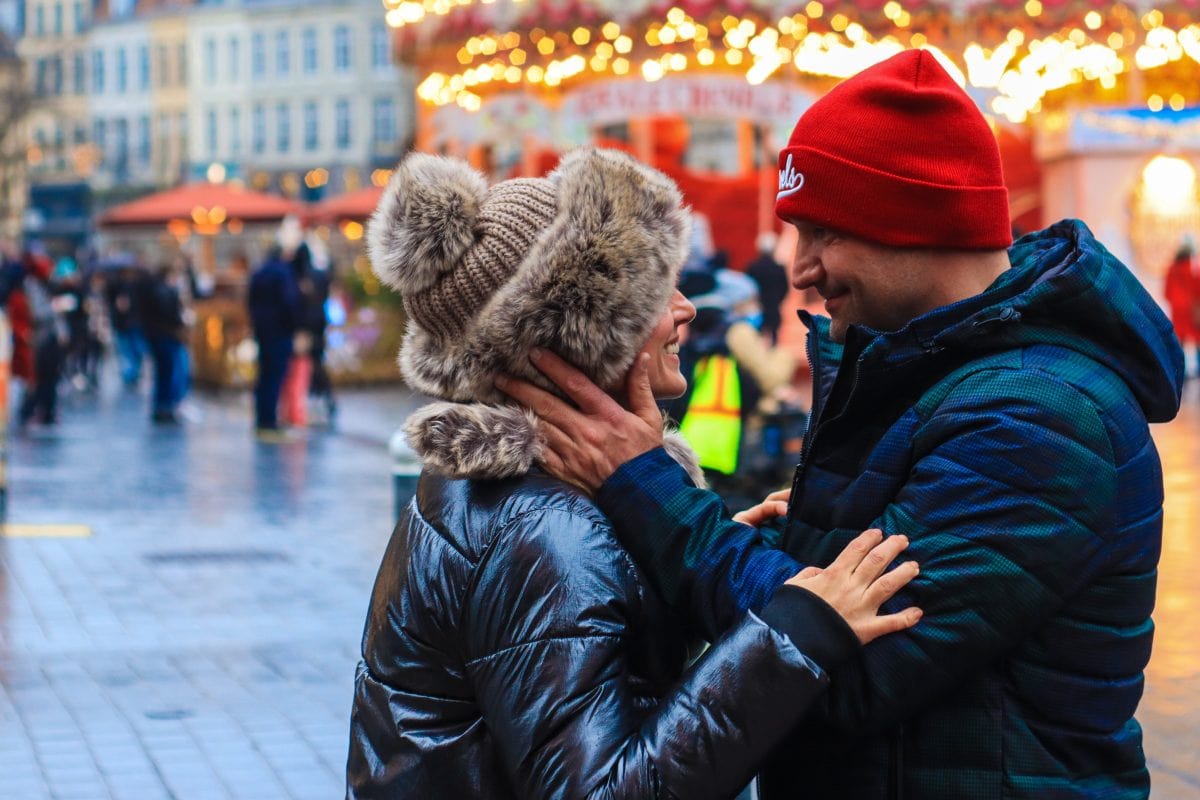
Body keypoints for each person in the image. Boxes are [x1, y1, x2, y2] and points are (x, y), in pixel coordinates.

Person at [498, 50, 1185, 799]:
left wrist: (648, 491)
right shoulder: (924, 369)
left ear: (915, 221)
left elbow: (849, 666)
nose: (800, 269)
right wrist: (774, 543)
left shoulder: (1041, 417)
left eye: (823, 232)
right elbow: (825, 597)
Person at [346, 148, 922, 799]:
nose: (686, 310)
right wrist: (794, 633)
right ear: (583, 337)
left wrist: (674, 562)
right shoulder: (547, 530)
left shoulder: (513, 491)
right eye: (652, 294)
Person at [247, 228, 301, 436]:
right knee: (275, 377)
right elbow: (290, 303)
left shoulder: (259, 272)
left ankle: (262, 418)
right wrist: (295, 327)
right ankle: (269, 421)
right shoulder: (284, 273)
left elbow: (250, 302)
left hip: (263, 331)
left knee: (264, 376)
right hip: (280, 332)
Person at [744, 231, 790, 345]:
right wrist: (777, 300)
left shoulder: (753, 267)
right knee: (774, 337)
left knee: (756, 337)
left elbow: (747, 288)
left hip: (757, 307)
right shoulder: (779, 268)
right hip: (773, 306)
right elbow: (785, 288)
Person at [1163, 235, 1199, 377]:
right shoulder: (1194, 268)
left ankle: (1179, 374)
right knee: (1197, 343)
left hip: (1178, 311)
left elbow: (1166, 292)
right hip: (1192, 311)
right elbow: (1198, 290)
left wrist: (1176, 301)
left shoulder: (1172, 268)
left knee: (1179, 345)